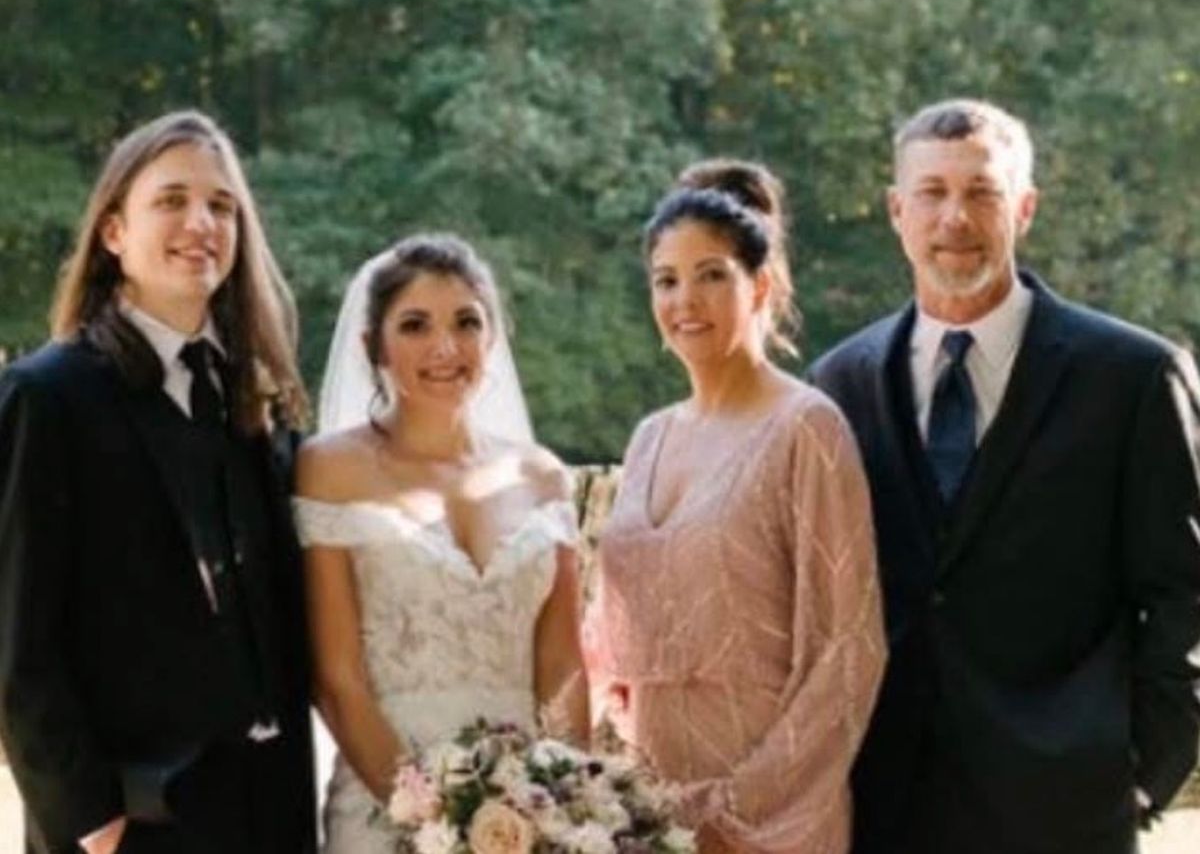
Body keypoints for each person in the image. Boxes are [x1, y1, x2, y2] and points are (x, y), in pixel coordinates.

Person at [808, 98, 1200, 854]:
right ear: (896, 211)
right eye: (932, 192)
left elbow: (1183, 593)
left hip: (1068, 805)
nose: (954, 217)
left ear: (1025, 208)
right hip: (884, 803)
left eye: (982, 192)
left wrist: (1146, 774)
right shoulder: (840, 382)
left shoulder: (1133, 378)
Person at [0, 111, 316, 853]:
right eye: (172, 200)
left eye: (221, 206)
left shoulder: (256, 397)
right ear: (114, 232)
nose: (201, 223)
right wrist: (88, 818)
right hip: (132, 822)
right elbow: (16, 636)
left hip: (267, 815)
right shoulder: (46, 396)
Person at [587, 161, 886, 853]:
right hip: (649, 815)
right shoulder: (649, 437)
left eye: (711, 275)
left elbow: (849, 649)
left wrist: (734, 806)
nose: (685, 300)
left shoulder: (807, 428)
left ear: (762, 285)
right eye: (666, 280)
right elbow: (607, 644)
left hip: (776, 815)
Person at [295, 234, 589, 853]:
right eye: (415, 325)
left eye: (466, 322)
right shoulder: (330, 469)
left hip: (524, 821)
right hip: (383, 811)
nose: (445, 347)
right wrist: (439, 827)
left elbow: (562, 666)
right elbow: (337, 679)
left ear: (492, 339)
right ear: (373, 346)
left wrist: (565, 809)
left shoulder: (542, 477)